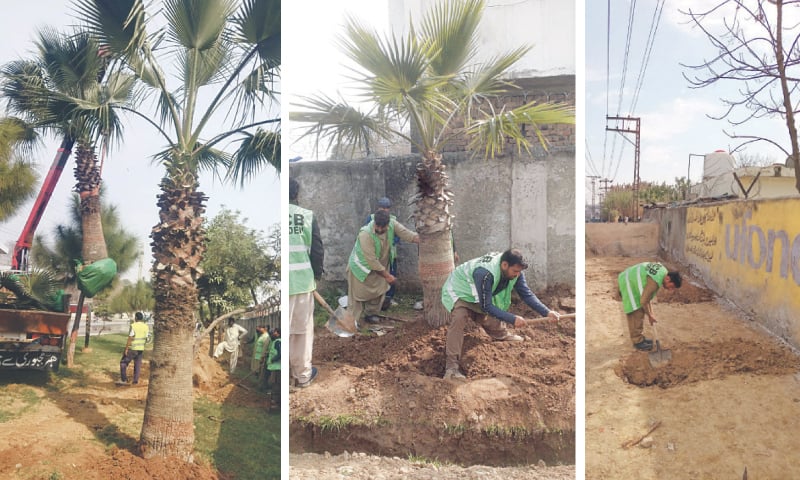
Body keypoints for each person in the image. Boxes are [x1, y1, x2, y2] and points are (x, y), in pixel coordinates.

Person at [441, 249, 560, 380]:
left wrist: (547, 312)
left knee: (487, 315)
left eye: (519, 271)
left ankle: (502, 335)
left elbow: (526, 294)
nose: (517, 274)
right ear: (504, 265)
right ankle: (451, 368)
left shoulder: (515, 272)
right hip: (460, 290)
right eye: (515, 271)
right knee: (459, 318)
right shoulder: (485, 273)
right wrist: (512, 318)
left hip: (477, 291)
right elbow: (486, 305)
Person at [348, 209, 418, 326]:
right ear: (374, 222)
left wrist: (420, 239)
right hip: (361, 269)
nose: (379, 229)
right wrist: (388, 276)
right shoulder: (365, 234)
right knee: (356, 297)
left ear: (388, 223)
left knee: (379, 292)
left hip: (379, 268)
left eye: (383, 227)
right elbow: (372, 261)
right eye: (377, 226)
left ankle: (371, 314)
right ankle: (350, 322)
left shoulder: (392, 224)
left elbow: (406, 233)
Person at [289, 177, 324, 388]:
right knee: (301, 332)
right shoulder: (305, 216)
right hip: (302, 284)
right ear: (296, 195)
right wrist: (315, 276)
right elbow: (317, 251)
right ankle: (302, 376)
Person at [618, 261, 682, 351]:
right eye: (671, 286)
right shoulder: (655, 282)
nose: (670, 290)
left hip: (630, 278)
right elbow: (644, 300)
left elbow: (647, 298)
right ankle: (637, 341)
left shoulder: (663, 272)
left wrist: (651, 314)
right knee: (636, 311)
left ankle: (639, 338)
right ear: (668, 279)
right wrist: (650, 315)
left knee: (642, 309)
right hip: (629, 283)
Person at [363, 197, 401, 311]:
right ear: (378, 208)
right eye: (382, 207)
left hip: (390, 254)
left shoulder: (393, 220)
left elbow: (398, 236)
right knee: (376, 275)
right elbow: (366, 232)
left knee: (391, 274)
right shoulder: (370, 218)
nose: (384, 210)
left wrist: (391, 242)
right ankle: (373, 299)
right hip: (375, 255)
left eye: (387, 207)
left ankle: (389, 298)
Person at [118, 312, 150, 386]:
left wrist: (126, 349)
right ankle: (135, 381)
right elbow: (147, 338)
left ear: (136, 318)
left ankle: (124, 379)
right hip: (140, 349)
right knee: (137, 365)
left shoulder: (133, 326)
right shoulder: (146, 326)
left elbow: (130, 337)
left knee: (123, 363)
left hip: (133, 348)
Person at [264, 327, 281, 401]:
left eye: (274, 332)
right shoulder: (276, 341)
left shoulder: (278, 342)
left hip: (277, 367)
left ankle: (275, 400)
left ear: (278, 333)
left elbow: (280, 354)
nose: (272, 333)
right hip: (274, 367)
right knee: (274, 383)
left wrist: (273, 359)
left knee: (275, 384)